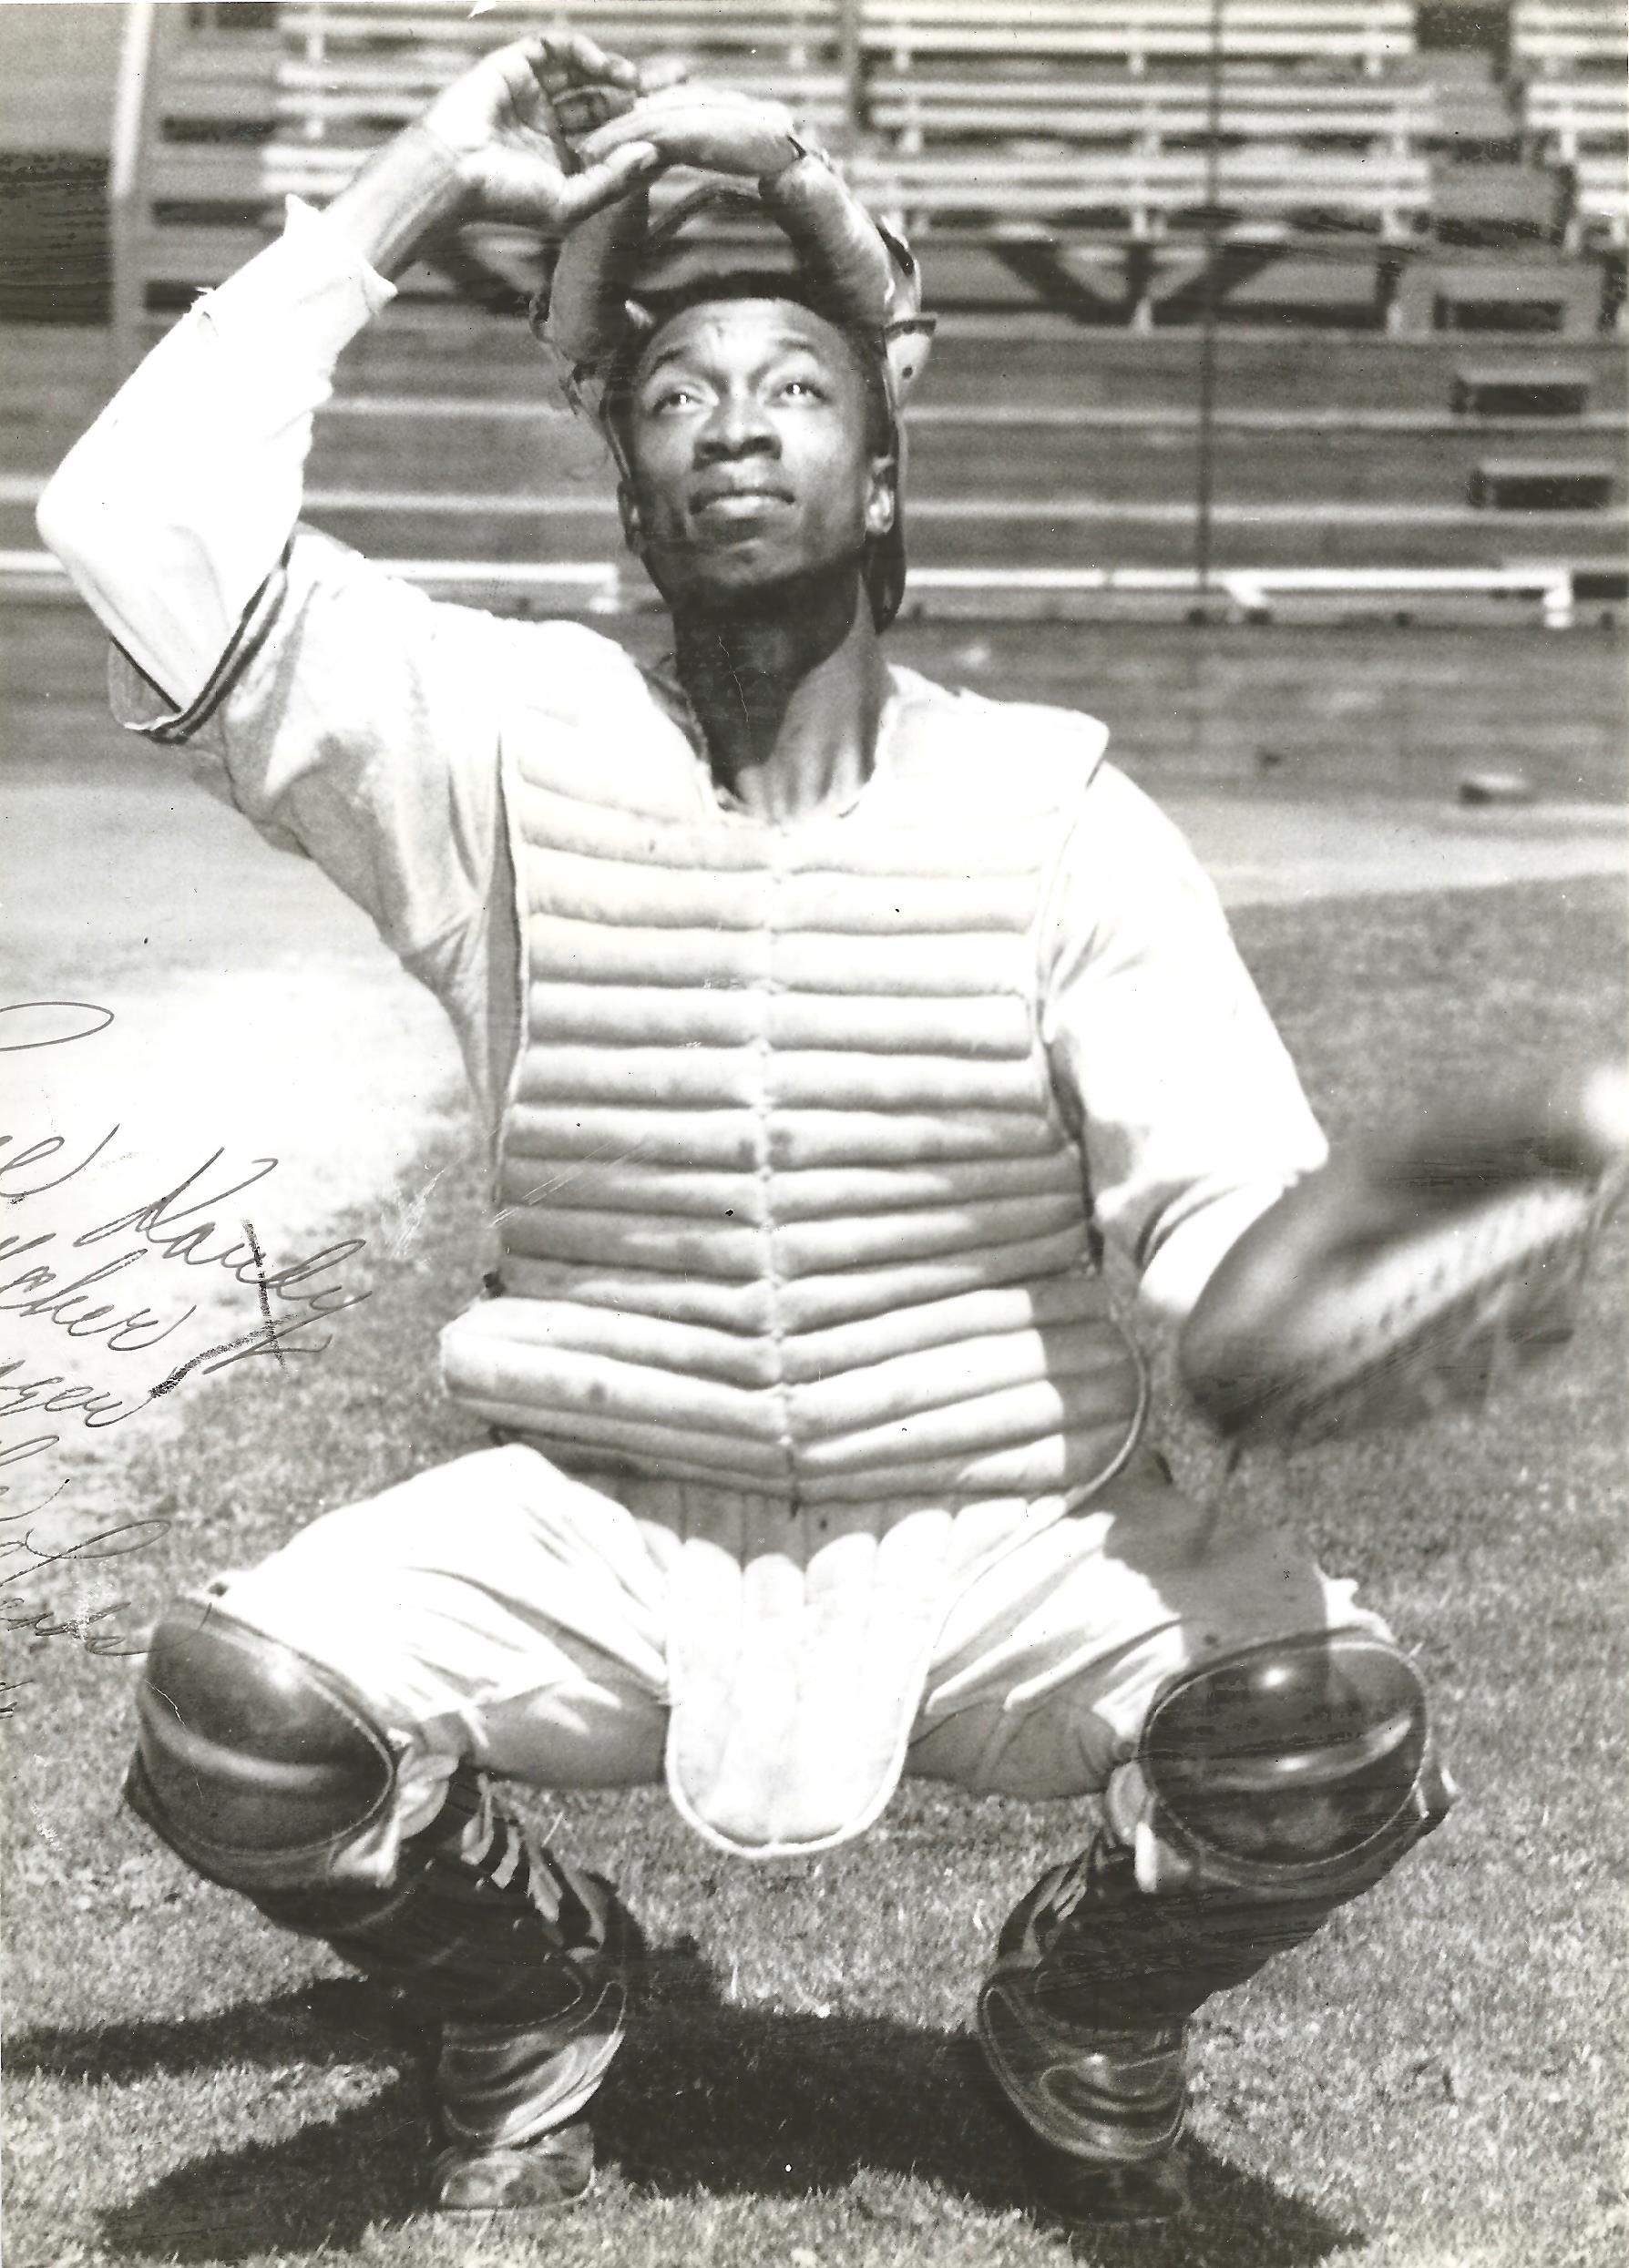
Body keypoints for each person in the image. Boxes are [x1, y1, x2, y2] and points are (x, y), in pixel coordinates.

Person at [37, 31, 1455, 2231]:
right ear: (628, 489)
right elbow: (128, 527)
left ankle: (1079, 2026)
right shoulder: (492, 745)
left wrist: (1287, 1309)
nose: (731, 431)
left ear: (883, 482)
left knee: (1325, 1731)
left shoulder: (1053, 806)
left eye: (793, 390)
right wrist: (412, 188)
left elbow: (1215, 1188)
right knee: (239, 1713)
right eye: (680, 399)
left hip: (995, 1526)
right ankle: (525, 1991)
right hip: (609, 1520)